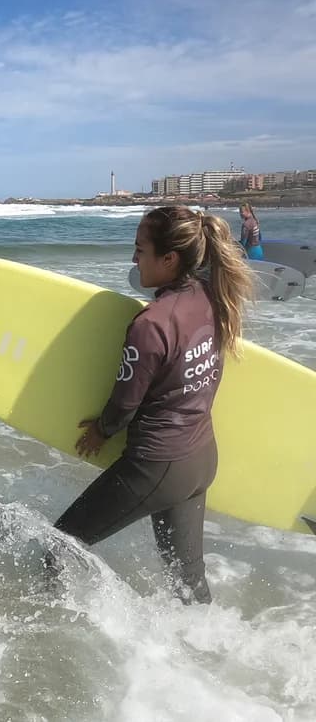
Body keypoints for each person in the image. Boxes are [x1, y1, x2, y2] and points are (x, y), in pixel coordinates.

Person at [51, 207, 254, 604]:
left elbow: (125, 403)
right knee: (189, 585)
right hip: (200, 459)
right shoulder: (211, 296)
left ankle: (48, 635)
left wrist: (101, 431)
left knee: (59, 544)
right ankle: (206, 652)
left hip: (157, 466)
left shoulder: (152, 324)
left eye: (140, 250)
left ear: (169, 259)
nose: (133, 259)